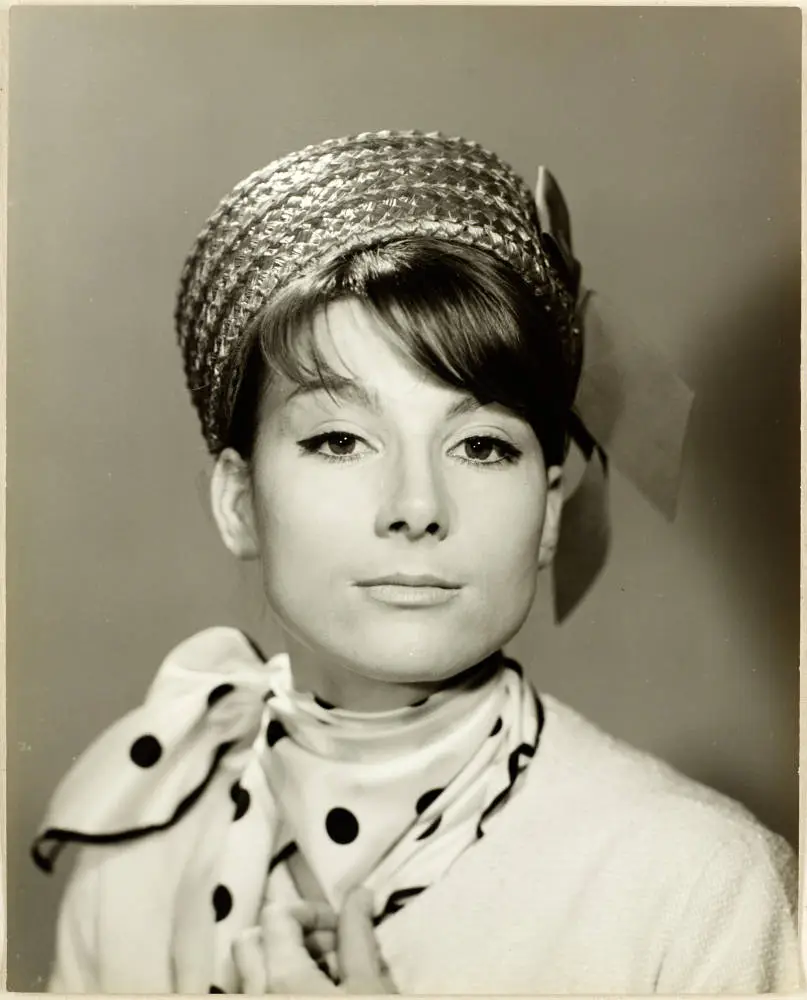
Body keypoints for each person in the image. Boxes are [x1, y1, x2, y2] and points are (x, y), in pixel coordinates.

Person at [33, 130, 800, 994]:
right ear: (239, 501)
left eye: (479, 446)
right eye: (337, 439)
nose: (417, 507)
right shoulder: (130, 848)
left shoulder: (700, 883)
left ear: (547, 513)